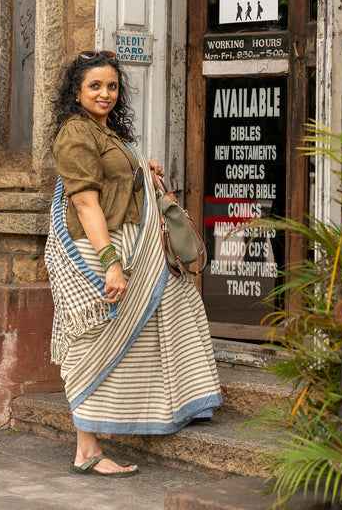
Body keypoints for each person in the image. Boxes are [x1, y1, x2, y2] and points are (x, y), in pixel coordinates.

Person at [44, 50, 222, 478]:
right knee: (90, 341)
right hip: (95, 247)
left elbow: (113, 179)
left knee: (176, 304)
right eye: (94, 86)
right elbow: (86, 203)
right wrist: (110, 264)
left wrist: (142, 169)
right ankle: (86, 449)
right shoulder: (74, 133)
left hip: (127, 242)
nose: (105, 94)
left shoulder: (105, 131)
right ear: (76, 90)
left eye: (111, 86)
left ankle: (180, 402)